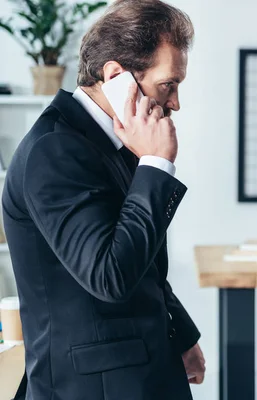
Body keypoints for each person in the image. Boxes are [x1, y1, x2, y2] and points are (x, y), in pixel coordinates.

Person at [2, 1, 205, 399]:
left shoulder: (112, 142)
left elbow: (143, 265)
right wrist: (157, 163)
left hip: (139, 369)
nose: (176, 102)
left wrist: (179, 334)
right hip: (97, 386)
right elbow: (109, 276)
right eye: (169, 84)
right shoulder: (54, 150)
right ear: (117, 76)